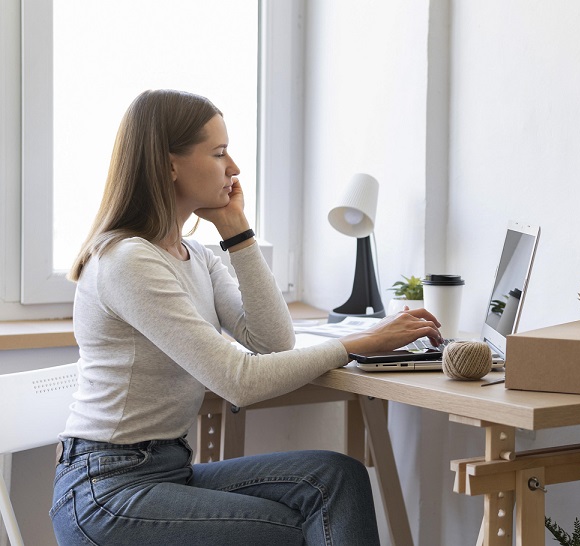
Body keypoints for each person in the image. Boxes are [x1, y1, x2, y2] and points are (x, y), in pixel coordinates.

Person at [51, 89, 442, 545]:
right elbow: (238, 380)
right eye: (218, 153)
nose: (233, 168)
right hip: (106, 491)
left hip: (167, 468)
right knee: (293, 531)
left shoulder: (194, 255)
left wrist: (238, 234)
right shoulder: (127, 260)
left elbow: (273, 342)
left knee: (337, 477)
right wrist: (358, 343)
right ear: (168, 164)